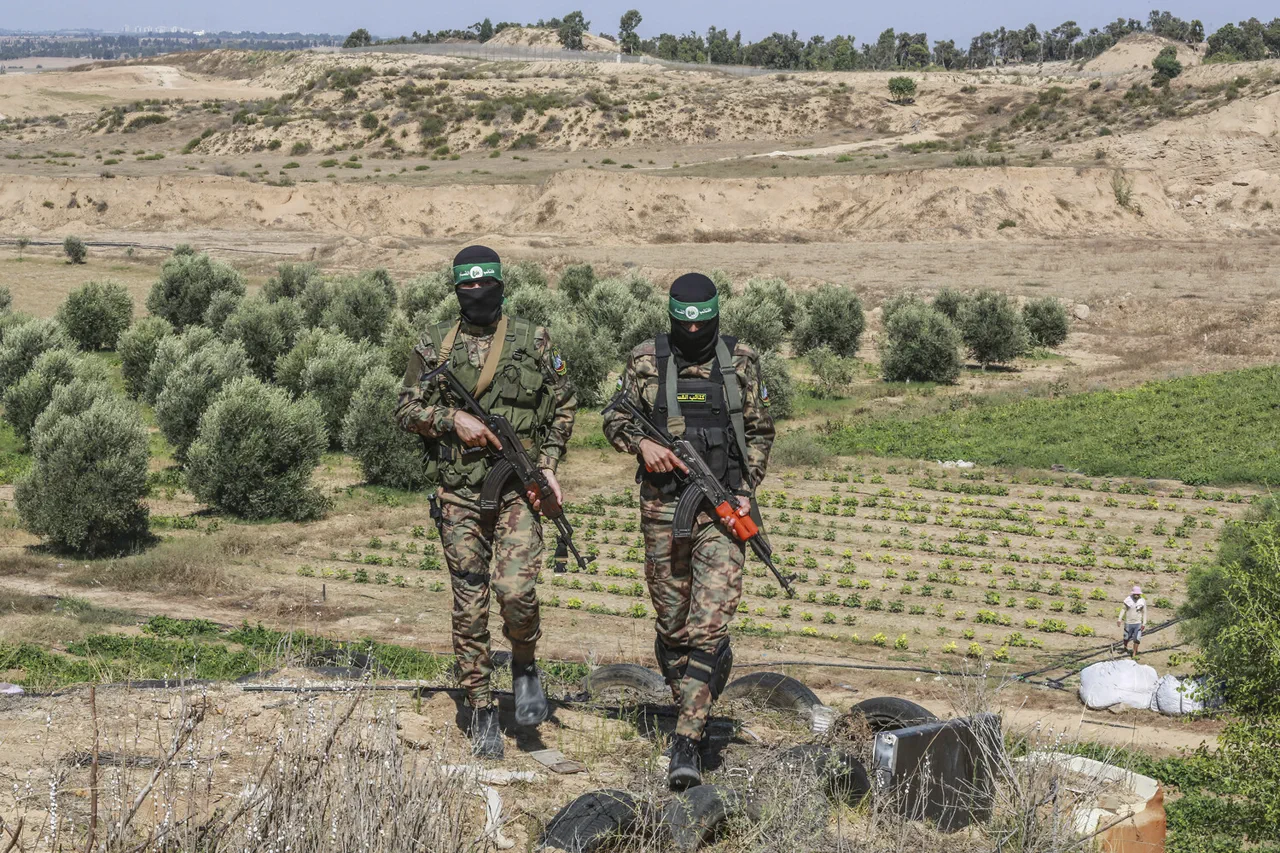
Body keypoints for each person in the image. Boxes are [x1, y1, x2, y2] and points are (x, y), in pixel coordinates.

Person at [396, 245, 577, 758]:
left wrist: (549, 464)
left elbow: (564, 405)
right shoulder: (434, 346)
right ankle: (479, 706)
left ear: (501, 287)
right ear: (457, 290)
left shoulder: (535, 340)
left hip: (518, 489)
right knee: (469, 602)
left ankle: (524, 662)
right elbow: (405, 408)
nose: (477, 294)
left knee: (516, 591)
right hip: (458, 494)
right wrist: (451, 420)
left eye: (485, 286)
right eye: (467, 287)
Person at [602, 272, 775, 790]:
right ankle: (695, 696)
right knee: (673, 626)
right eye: (685, 326)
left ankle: (686, 739)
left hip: (722, 512)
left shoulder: (741, 361)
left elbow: (760, 430)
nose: (694, 334)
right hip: (663, 510)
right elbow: (613, 417)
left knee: (708, 624)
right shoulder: (645, 360)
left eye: (703, 325)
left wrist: (745, 486)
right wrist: (641, 445)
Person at [1118, 585, 1147, 658]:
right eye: (1135, 594)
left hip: (1138, 623)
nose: (1136, 595)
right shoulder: (1128, 600)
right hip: (1129, 622)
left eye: (1138, 594)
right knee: (1126, 637)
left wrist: (1144, 623)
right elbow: (1123, 609)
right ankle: (1125, 647)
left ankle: (1134, 653)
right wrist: (1119, 619)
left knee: (1137, 639)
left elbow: (1144, 612)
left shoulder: (1142, 601)